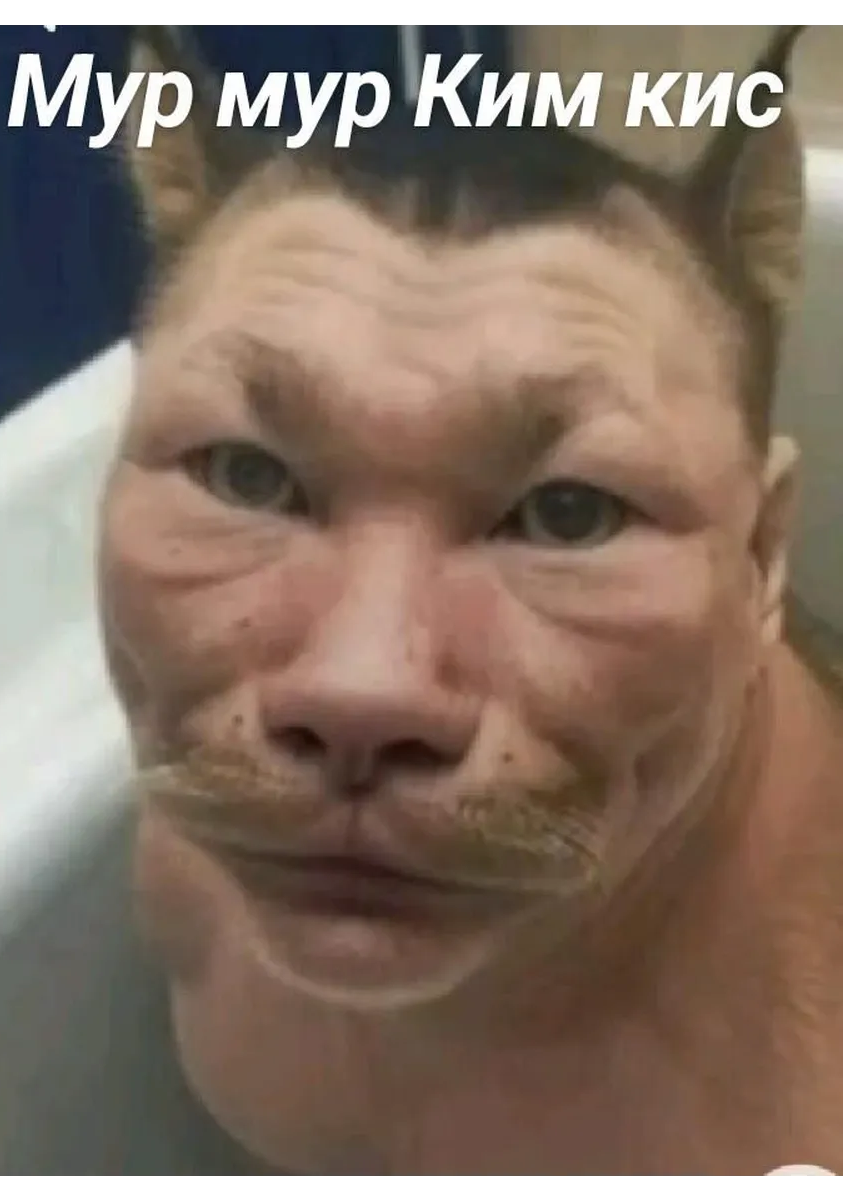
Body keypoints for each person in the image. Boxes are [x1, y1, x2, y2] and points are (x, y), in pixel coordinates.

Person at [99, 25, 843, 1173]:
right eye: (247, 475)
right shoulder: (193, 866)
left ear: (765, 555)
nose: (358, 687)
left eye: (569, 512)